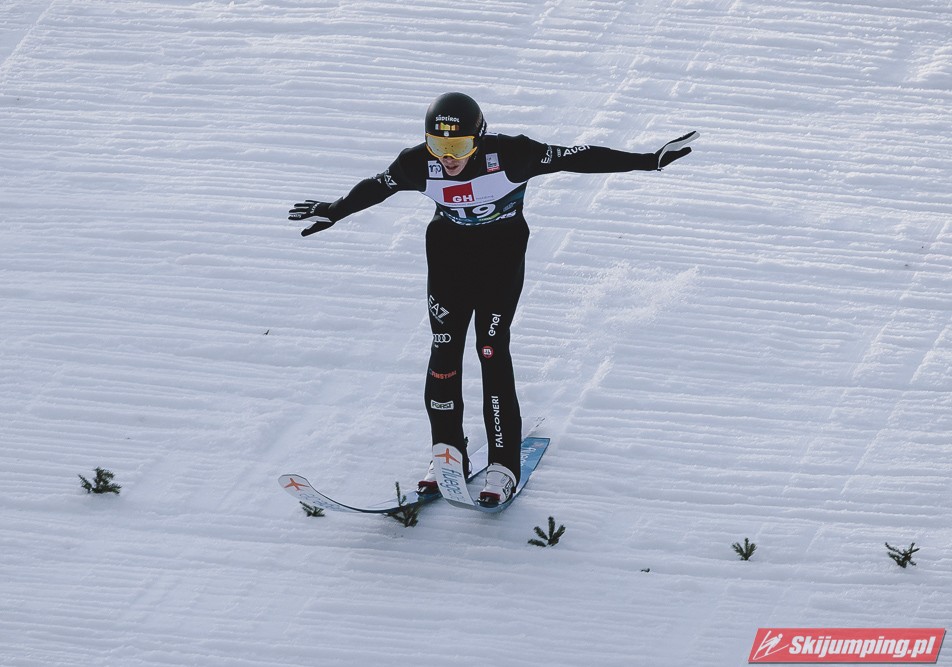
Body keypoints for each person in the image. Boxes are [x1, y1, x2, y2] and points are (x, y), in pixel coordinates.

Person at [289, 92, 697, 506]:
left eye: (459, 146)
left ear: (479, 138)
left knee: (490, 349)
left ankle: (504, 465)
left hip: (500, 261)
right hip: (448, 259)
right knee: (444, 350)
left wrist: (648, 160)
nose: (448, 158)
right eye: (438, 145)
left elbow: (578, 156)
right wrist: (335, 210)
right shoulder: (418, 163)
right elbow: (378, 187)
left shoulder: (512, 156)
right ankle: (447, 454)